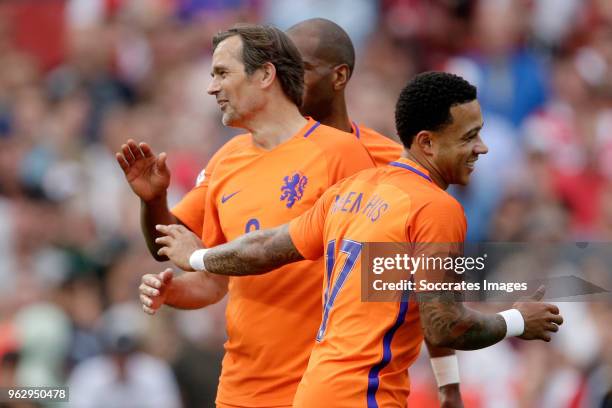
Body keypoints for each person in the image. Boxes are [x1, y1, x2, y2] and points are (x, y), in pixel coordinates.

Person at [154, 72, 564, 408]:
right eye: (469, 136)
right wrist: (516, 321)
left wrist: (200, 258)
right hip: (365, 395)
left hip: (317, 392)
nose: (482, 147)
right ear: (426, 142)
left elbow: (264, 248)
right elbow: (443, 325)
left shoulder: (354, 189)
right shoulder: (436, 209)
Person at [117, 24, 377, 408]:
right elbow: (209, 279)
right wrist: (154, 201)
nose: (212, 88)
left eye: (222, 73)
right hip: (241, 389)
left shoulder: (341, 154)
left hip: (319, 387)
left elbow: (374, 269)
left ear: (266, 75)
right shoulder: (227, 159)